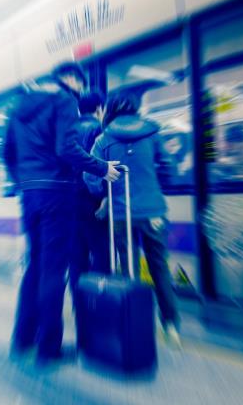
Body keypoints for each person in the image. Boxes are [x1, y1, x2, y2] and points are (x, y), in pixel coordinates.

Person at [4, 61, 121, 367]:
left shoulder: (18, 106)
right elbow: (66, 149)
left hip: (30, 195)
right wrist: (102, 168)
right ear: (70, 79)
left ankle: (23, 338)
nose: (80, 91)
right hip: (56, 193)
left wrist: (23, 183)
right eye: (80, 84)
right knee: (54, 270)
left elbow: (8, 154)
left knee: (35, 265)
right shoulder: (64, 100)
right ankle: (48, 348)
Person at [85, 91, 181, 347]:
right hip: (153, 212)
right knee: (159, 267)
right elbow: (170, 167)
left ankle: (137, 323)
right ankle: (171, 325)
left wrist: (104, 193)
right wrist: (157, 187)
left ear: (111, 109)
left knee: (129, 269)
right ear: (136, 108)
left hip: (121, 214)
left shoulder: (104, 138)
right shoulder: (153, 133)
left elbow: (90, 176)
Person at [72, 92, 110, 293]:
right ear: (99, 108)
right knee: (101, 252)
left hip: (69, 200)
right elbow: (97, 165)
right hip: (91, 199)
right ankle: (98, 298)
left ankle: (80, 303)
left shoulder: (67, 130)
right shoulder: (98, 129)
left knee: (77, 255)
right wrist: (104, 196)